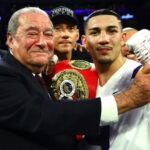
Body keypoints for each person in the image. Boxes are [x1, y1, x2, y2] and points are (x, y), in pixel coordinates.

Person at [1, 6, 150, 150]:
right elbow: (45, 115)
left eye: (48, 34)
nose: (42, 42)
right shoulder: (5, 74)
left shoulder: (139, 76)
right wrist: (129, 98)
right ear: (10, 39)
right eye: (32, 34)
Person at [80, 9, 150, 150]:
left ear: (123, 38)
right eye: (95, 32)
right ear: (84, 41)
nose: (104, 39)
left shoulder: (141, 75)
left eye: (112, 31)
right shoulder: (77, 77)